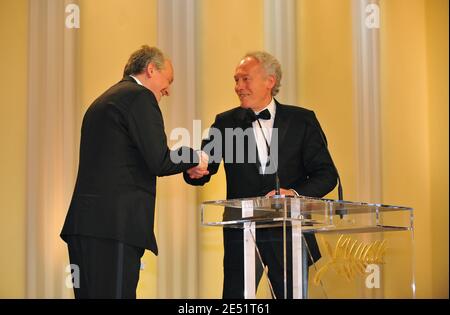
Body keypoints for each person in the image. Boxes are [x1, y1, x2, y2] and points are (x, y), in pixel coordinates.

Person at [184, 51, 338, 298]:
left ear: (270, 81)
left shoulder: (302, 120)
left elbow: (327, 174)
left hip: (289, 232)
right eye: (236, 80)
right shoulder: (226, 122)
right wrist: (195, 168)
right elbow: (205, 163)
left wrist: (294, 194)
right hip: (241, 232)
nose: (238, 87)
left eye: (245, 79)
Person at [60, 45, 208, 299]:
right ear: (151, 69)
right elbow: (158, 160)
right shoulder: (139, 97)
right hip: (115, 227)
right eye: (168, 80)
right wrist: (196, 157)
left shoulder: (105, 100)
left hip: (86, 226)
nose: (168, 90)